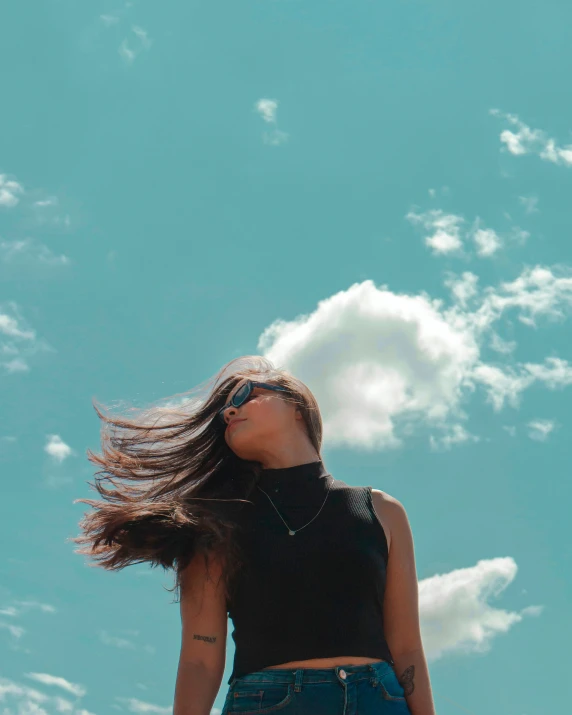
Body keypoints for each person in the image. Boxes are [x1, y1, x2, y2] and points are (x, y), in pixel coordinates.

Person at [70, 355, 436, 715]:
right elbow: (200, 660)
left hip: (380, 700)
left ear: (296, 404)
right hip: (269, 702)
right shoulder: (212, 526)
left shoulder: (382, 511)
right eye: (225, 411)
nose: (229, 412)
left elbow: (407, 648)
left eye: (246, 395)